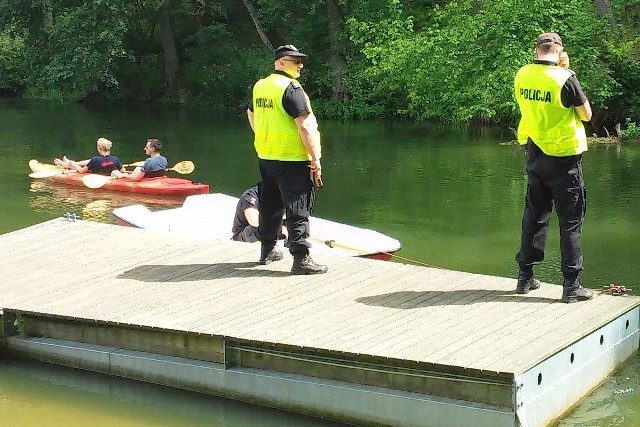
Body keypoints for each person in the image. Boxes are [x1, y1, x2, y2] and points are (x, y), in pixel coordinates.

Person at [513, 32, 593, 303]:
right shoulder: (565, 78)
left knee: (534, 214)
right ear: (560, 52)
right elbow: (586, 114)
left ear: (536, 50)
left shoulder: (522, 74)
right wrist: (565, 69)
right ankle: (571, 286)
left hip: (535, 152)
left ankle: (525, 277)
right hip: (564, 157)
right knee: (571, 220)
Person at [247, 44, 327, 275]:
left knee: (269, 204)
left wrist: (262, 136)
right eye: (295, 61)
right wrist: (316, 158)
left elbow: (250, 113)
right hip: (292, 158)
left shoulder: (260, 86)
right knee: (298, 207)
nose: (300, 66)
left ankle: (267, 250)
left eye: (301, 61)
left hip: (266, 155)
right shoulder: (291, 88)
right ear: (280, 63)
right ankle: (301, 259)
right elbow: (305, 126)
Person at [59, 138, 127, 177]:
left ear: (99, 148)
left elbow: (81, 171)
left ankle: (66, 163)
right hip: (108, 173)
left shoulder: (95, 159)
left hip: (99, 174)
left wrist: (74, 164)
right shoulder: (115, 159)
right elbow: (123, 171)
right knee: (89, 162)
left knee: (86, 164)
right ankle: (67, 163)